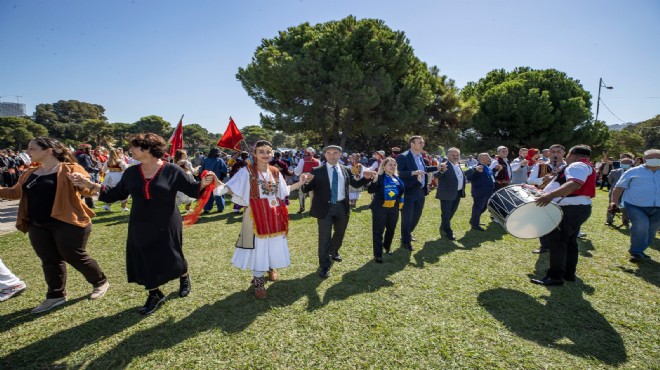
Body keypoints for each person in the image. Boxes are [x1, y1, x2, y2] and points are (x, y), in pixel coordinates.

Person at [70, 133, 215, 315]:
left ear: (147, 149)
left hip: (167, 220)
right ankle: (154, 293)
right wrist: (89, 184)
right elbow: (116, 194)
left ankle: (184, 276)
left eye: (134, 147)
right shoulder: (131, 172)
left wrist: (203, 182)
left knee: (172, 252)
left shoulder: (172, 170)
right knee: (144, 256)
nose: (130, 150)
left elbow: (193, 190)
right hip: (140, 221)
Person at [0, 137, 109, 313]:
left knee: (74, 255)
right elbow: (14, 193)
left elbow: (87, 190)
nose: (28, 152)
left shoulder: (70, 168)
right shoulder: (30, 173)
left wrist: (82, 182)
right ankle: (55, 295)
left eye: (32, 148)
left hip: (68, 222)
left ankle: (100, 282)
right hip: (38, 224)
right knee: (49, 259)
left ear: (48, 150)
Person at [212, 140, 310, 298]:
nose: (265, 155)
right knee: (258, 247)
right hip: (255, 214)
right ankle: (258, 281)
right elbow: (232, 187)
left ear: (272, 153)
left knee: (272, 244)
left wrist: (301, 182)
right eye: (261, 151)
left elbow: (284, 191)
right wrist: (219, 184)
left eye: (268, 151)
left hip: (274, 213)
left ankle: (270, 267)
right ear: (254, 154)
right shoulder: (247, 171)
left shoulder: (275, 171)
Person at [301, 145, 373, 278]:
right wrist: (306, 182)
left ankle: (334, 251)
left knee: (340, 233)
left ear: (340, 155)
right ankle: (324, 266)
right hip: (324, 208)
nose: (332, 156)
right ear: (325, 155)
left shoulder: (345, 169)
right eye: (328, 153)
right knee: (324, 238)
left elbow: (355, 184)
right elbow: (306, 189)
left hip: (341, 206)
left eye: (335, 153)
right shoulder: (317, 170)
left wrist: (366, 178)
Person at [531, 145, 596, 286]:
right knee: (570, 241)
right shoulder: (586, 165)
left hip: (569, 208)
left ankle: (555, 276)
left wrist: (549, 196)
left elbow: (574, 184)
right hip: (577, 208)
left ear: (572, 155)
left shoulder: (577, 165)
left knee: (557, 242)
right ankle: (568, 273)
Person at [610, 149, 660, 261]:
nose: (654, 161)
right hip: (635, 205)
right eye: (651, 158)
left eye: (657, 158)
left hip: (658, 208)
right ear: (644, 159)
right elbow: (618, 188)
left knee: (651, 230)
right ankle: (636, 252)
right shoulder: (633, 171)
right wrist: (614, 202)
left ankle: (640, 248)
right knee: (640, 226)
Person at [396, 136, 438, 250]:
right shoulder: (403, 157)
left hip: (420, 191)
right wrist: (412, 173)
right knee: (407, 217)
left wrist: (437, 167)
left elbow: (424, 169)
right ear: (412, 144)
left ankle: (408, 233)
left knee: (416, 216)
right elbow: (397, 172)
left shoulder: (420, 157)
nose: (422, 144)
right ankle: (405, 241)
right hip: (408, 191)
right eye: (420, 142)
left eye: (423, 143)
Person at [367, 157, 404, 263]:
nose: (393, 167)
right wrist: (374, 181)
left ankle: (387, 246)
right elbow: (370, 191)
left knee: (391, 229)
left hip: (394, 208)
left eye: (394, 165)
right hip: (380, 208)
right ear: (384, 166)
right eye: (390, 165)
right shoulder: (379, 177)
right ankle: (378, 255)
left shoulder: (397, 179)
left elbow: (401, 192)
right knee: (378, 231)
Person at [434, 147, 466, 240]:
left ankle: (444, 225)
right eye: (453, 155)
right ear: (448, 156)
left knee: (452, 211)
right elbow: (436, 175)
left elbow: (462, 175)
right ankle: (448, 231)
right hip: (447, 193)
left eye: (457, 155)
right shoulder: (444, 164)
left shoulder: (459, 164)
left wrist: (474, 170)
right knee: (446, 213)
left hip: (458, 193)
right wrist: (441, 170)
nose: (455, 157)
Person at [465, 153, 495, 231]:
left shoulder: (486, 167)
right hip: (480, 192)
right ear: (482, 159)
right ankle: (475, 224)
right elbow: (469, 177)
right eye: (488, 158)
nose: (490, 159)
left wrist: (495, 170)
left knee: (484, 207)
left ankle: (474, 220)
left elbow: (489, 176)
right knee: (478, 208)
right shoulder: (475, 167)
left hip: (487, 191)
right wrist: (477, 171)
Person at [605, 156, 633, 226]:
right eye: (622, 163)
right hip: (615, 192)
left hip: (628, 193)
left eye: (626, 163)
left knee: (626, 207)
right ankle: (609, 220)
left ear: (630, 164)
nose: (624, 164)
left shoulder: (634, 172)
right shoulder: (614, 172)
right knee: (612, 205)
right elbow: (610, 181)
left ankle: (625, 221)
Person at [200, 147, 228, 214]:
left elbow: (202, 169)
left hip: (208, 179)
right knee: (219, 193)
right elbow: (224, 170)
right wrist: (221, 178)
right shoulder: (220, 160)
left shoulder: (206, 160)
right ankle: (220, 208)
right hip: (217, 179)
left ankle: (207, 208)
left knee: (208, 194)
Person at [293, 147, 320, 214]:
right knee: (312, 193)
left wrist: (296, 171)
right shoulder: (317, 161)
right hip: (313, 177)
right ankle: (312, 207)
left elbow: (298, 170)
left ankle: (302, 207)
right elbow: (320, 170)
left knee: (302, 192)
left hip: (304, 176)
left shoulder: (302, 160)